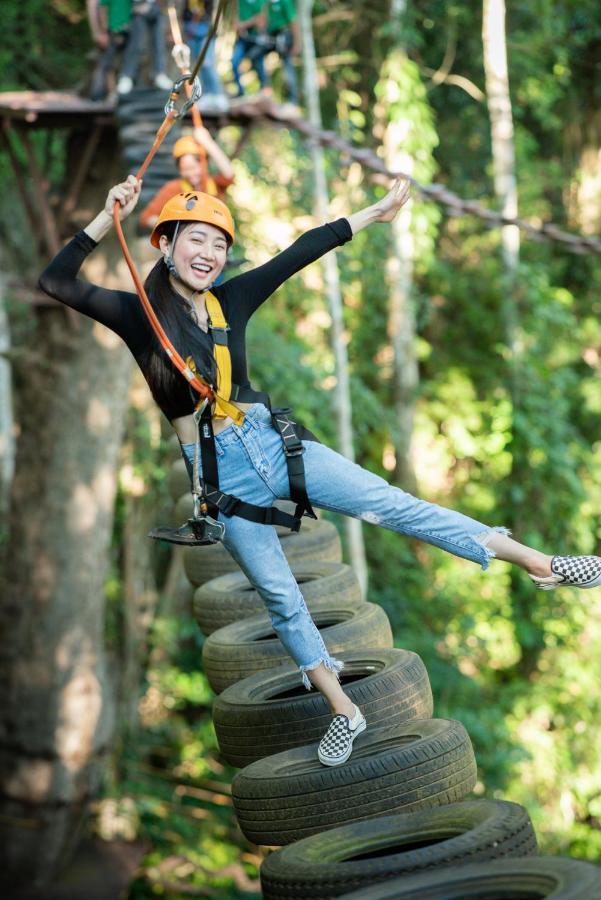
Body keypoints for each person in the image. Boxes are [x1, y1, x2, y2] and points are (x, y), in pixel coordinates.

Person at [38, 175, 601, 769]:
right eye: (196, 240)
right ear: (165, 244)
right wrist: (106, 218)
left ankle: (541, 564)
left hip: (274, 444)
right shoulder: (138, 316)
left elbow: (301, 251)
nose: (208, 254)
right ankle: (344, 712)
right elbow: (56, 281)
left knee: (391, 503)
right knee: (280, 596)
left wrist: (375, 214)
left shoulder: (231, 302)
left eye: (219, 244)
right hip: (219, 477)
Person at [138, 129, 234, 230]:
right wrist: (176, 229)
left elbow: (229, 174)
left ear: (204, 164)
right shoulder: (174, 189)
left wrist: (207, 142)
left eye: (193, 168)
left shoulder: (214, 185)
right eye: (185, 170)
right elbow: (147, 217)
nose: (190, 174)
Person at [116, 0, 172, 95]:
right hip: (137, 6)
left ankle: (159, 74)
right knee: (136, 44)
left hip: (156, 6)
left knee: (159, 43)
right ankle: (126, 76)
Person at [182, 0, 228, 111]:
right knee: (199, 65)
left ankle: (218, 94)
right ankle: (207, 95)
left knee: (207, 63)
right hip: (191, 29)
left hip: (205, 29)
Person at [87, 0, 131, 101]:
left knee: (117, 64)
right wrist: (102, 31)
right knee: (108, 65)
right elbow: (99, 9)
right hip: (112, 32)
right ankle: (103, 94)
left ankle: (113, 94)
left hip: (125, 31)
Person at [261, 0, 300, 108]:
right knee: (257, 55)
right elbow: (264, 20)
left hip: (284, 36)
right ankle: (265, 88)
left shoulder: (285, 2)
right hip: (271, 36)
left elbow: (293, 22)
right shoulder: (268, 4)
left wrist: (297, 43)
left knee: (287, 66)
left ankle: (293, 101)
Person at [231, 0, 269, 97]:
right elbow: (235, 22)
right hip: (243, 39)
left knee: (258, 63)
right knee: (235, 61)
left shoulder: (261, 2)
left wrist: (243, 24)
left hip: (256, 39)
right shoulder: (240, 2)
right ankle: (241, 91)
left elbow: (260, 20)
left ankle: (264, 89)